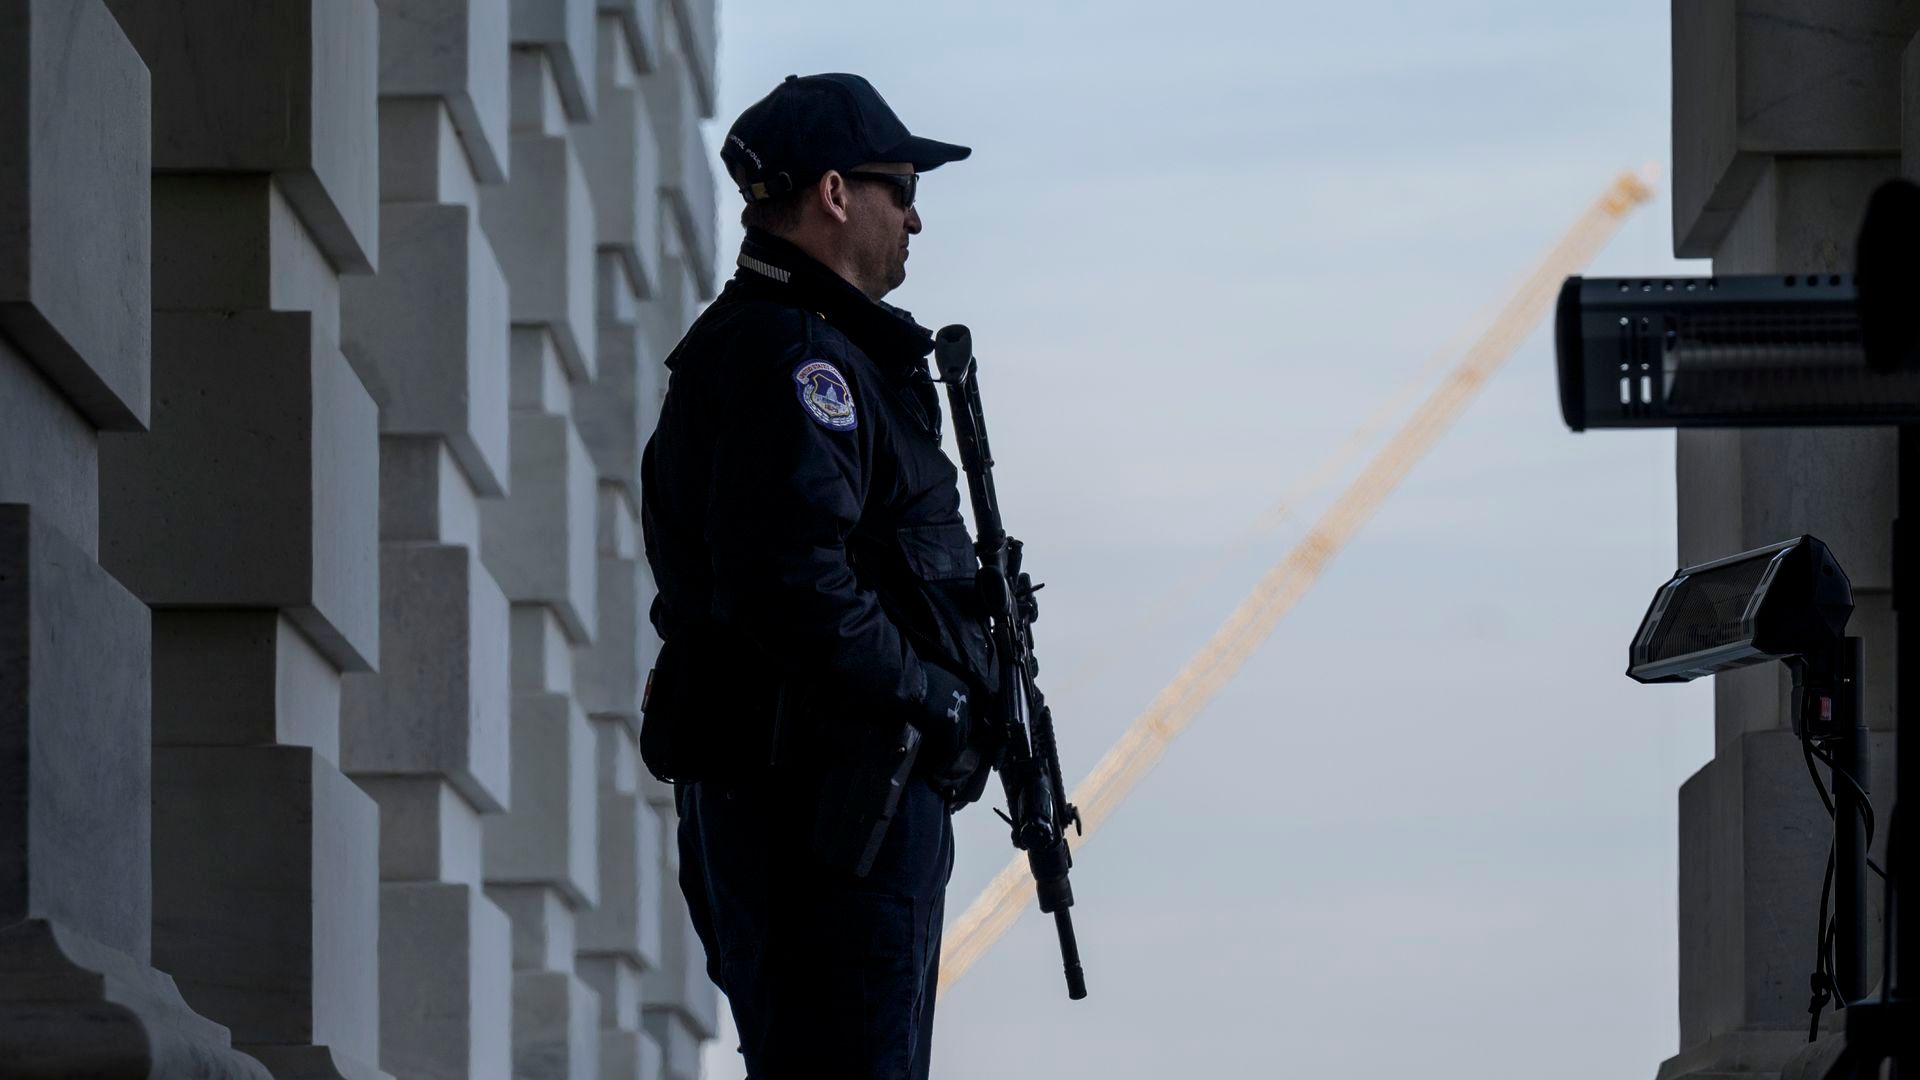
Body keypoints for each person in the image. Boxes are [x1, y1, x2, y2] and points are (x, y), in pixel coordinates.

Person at [638, 73, 999, 1079]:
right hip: (829, 819)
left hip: (825, 813)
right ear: (836, 193)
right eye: (900, 187)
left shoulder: (803, 353)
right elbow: (793, 587)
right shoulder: (801, 367)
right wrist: (936, 699)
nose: (915, 215)